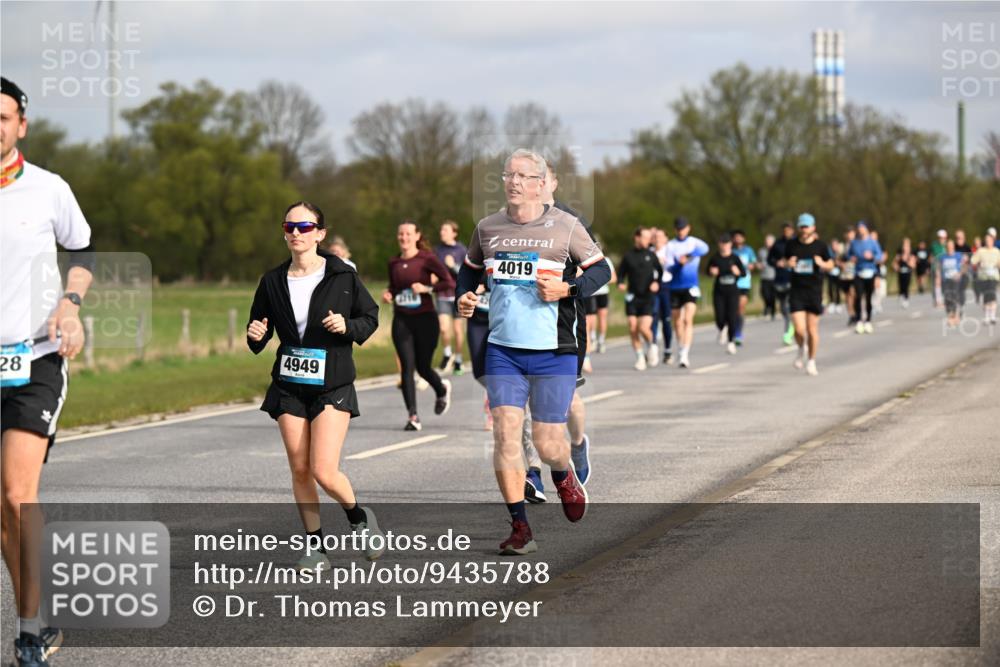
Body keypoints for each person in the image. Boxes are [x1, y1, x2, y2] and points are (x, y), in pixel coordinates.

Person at [456, 149, 610, 555]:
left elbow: (601, 270)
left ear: (543, 184)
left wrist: (568, 289)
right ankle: (520, 528)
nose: (513, 182)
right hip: (503, 349)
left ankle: (563, 474)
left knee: (546, 442)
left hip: (553, 350)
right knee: (506, 434)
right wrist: (465, 298)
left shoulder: (567, 227)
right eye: (509, 175)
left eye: (523, 176)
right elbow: (469, 271)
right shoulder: (488, 228)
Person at [1, 76, 94, 667]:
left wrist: (71, 305)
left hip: (34, 359)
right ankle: (34, 611)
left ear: (21, 125)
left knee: (16, 495)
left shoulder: (48, 189)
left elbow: (81, 250)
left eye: (2, 117)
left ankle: (30, 630)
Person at [248, 201, 385, 576]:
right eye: (290, 227)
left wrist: (348, 327)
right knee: (299, 469)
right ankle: (315, 547)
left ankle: (358, 518)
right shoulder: (272, 281)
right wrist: (255, 335)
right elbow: (258, 332)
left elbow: (369, 318)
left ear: (320, 234)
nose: (296, 233)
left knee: (324, 470)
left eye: (305, 227)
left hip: (332, 381)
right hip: (290, 384)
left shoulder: (342, 275)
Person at [383, 221, 454, 431]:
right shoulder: (393, 262)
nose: (404, 237)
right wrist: (389, 294)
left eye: (408, 234)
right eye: (400, 234)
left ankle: (441, 389)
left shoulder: (427, 259)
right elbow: (394, 288)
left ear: (416, 236)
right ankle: (412, 416)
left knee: (423, 368)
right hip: (402, 319)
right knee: (407, 367)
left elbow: (448, 282)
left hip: (425, 319)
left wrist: (426, 288)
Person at [779, 213, 834, 376]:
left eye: (807, 226)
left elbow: (831, 264)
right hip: (796, 291)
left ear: (813, 228)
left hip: (814, 292)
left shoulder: (821, 246)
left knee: (812, 329)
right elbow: (784, 262)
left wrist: (823, 264)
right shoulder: (791, 245)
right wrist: (787, 264)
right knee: (799, 329)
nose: (804, 230)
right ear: (798, 227)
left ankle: (811, 361)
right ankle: (801, 347)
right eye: (802, 226)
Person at [663, 217, 709, 368]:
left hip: (691, 285)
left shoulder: (694, 242)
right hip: (675, 287)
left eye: (683, 228)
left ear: (688, 228)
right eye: (678, 228)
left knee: (688, 320)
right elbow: (668, 267)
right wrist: (678, 264)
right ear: (675, 229)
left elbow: (705, 249)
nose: (681, 231)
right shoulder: (671, 245)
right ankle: (681, 346)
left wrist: (689, 256)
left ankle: (684, 354)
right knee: (677, 322)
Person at [617, 227, 661, 370]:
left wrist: (656, 283)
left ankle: (652, 344)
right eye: (645, 238)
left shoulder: (651, 255)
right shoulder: (628, 255)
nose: (648, 241)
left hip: (647, 296)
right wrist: (620, 283)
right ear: (637, 237)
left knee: (643, 328)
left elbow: (660, 272)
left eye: (649, 238)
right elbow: (621, 273)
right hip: (632, 297)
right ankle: (640, 358)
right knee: (632, 327)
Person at [434, 220, 467, 376]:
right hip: (442, 294)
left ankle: (458, 359)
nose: (442, 233)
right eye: (441, 230)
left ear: (454, 233)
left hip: (457, 295)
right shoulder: (437, 250)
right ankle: (447, 354)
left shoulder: (461, 250)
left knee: (458, 330)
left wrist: (453, 265)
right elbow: (432, 269)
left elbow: (467, 273)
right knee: (443, 328)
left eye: (445, 230)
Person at [707, 233, 747, 355]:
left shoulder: (735, 258)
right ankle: (721, 328)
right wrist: (712, 272)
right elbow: (707, 271)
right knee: (719, 315)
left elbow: (743, 273)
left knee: (732, 316)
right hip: (719, 291)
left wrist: (737, 272)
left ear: (730, 244)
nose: (724, 246)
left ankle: (731, 342)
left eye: (727, 243)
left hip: (733, 292)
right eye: (722, 243)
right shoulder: (715, 258)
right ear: (719, 244)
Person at [848, 221, 883, 334]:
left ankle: (868, 320)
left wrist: (872, 256)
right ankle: (859, 321)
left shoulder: (873, 242)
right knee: (858, 296)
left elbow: (880, 255)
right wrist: (851, 258)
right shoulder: (854, 243)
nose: (860, 230)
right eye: (859, 228)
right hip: (858, 273)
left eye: (862, 228)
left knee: (868, 297)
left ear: (866, 229)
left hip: (870, 272)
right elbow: (848, 254)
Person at [768, 223, 797, 345]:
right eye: (785, 230)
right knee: (783, 308)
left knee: (790, 306)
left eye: (789, 230)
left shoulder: (797, 243)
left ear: (792, 231)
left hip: (794, 279)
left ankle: (788, 332)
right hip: (780, 279)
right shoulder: (777, 244)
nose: (787, 232)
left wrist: (793, 262)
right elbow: (769, 259)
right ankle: (791, 325)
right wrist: (777, 263)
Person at [730, 229, 757, 345]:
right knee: (733, 309)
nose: (738, 239)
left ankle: (738, 333)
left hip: (744, 283)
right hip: (733, 283)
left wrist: (751, 266)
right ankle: (732, 329)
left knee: (740, 308)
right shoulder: (731, 251)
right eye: (736, 237)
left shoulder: (748, 250)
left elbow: (754, 263)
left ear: (743, 239)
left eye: (740, 237)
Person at [651, 228, 674, 363]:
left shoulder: (670, 251)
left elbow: (676, 266)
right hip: (653, 287)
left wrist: (664, 262)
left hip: (666, 286)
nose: (658, 239)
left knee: (666, 320)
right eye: (655, 237)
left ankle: (668, 350)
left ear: (666, 239)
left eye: (660, 237)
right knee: (653, 317)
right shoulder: (650, 252)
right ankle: (653, 348)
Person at [971, 231, 999, 324]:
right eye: (986, 240)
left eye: (990, 240)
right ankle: (987, 316)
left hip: (993, 276)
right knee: (986, 296)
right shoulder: (981, 251)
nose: (988, 242)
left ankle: (993, 316)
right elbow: (973, 261)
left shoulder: (997, 251)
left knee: (992, 294)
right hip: (983, 277)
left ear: (993, 241)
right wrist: (979, 264)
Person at [937, 239, 966, 328]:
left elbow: (964, 266)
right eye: (948, 246)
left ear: (953, 247)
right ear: (946, 247)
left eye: (951, 246)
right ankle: (951, 316)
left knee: (954, 298)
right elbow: (939, 268)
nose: (949, 248)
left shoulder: (958, 256)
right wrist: (938, 277)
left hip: (955, 280)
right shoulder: (942, 257)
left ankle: (954, 317)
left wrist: (959, 273)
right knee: (947, 299)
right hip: (945, 280)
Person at [838, 227, 858, 325]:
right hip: (844, 275)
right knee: (847, 296)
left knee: (853, 293)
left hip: (854, 274)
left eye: (851, 233)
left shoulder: (858, 245)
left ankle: (856, 312)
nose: (849, 235)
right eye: (848, 233)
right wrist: (840, 264)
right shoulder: (842, 247)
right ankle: (851, 314)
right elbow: (836, 259)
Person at [893, 238, 917, 308]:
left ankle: (906, 300)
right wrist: (896, 267)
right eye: (904, 245)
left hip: (908, 272)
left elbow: (913, 265)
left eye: (907, 245)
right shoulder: (899, 253)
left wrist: (908, 261)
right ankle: (901, 295)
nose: (905, 247)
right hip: (901, 272)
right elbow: (895, 263)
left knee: (906, 286)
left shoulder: (911, 254)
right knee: (901, 285)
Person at [758, 234, 777, 320]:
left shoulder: (777, 251)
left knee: (772, 295)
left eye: (769, 241)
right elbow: (757, 261)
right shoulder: (761, 251)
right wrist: (758, 265)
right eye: (766, 241)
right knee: (765, 294)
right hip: (764, 276)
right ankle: (767, 306)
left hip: (774, 276)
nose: (767, 243)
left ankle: (772, 311)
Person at [931, 229, 948, 308]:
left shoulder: (947, 245)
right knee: (937, 280)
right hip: (937, 265)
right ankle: (938, 300)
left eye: (943, 238)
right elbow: (935, 256)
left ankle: (945, 299)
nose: (942, 239)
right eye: (940, 238)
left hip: (946, 266)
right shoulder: (935, 245)